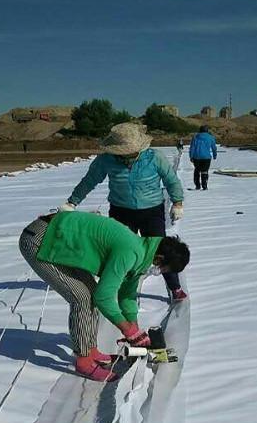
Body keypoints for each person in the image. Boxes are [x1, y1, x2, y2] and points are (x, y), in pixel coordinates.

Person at [19, 211, 190, 381]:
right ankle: (84, 360)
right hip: (40, 240)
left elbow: (127, 294)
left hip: (60, 239)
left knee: (90, 295)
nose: (160, 273)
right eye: (164, 270)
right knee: (81, 298)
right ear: (159, 259)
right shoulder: (130, 251)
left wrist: (134, 328)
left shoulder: (143, 252)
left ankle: (90, 350)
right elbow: (104, 296)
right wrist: (127, 329)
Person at [61, 122, 188, 301]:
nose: (126, 157)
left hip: (151, 211)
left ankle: (174, 287)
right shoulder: (106, 160)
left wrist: (178, 203)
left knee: (161, 250)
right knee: (119, 251)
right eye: (122, 154)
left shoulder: (154, 157)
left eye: (130, 153)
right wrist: (72, 202)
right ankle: (118, 289)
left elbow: (171, 180)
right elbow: (89, 181)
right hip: (121, 212)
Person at [189, 125, 218, 190]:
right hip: (206, 157)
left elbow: (192, 148)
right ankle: (204, 186)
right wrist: (215, 155)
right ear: (207, 130)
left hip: (196, 157)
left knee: (197, 171)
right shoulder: (211, 137)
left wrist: (191, 156)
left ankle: (197, 185)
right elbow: (214, 147)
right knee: (204, 171)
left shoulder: (195, 137)